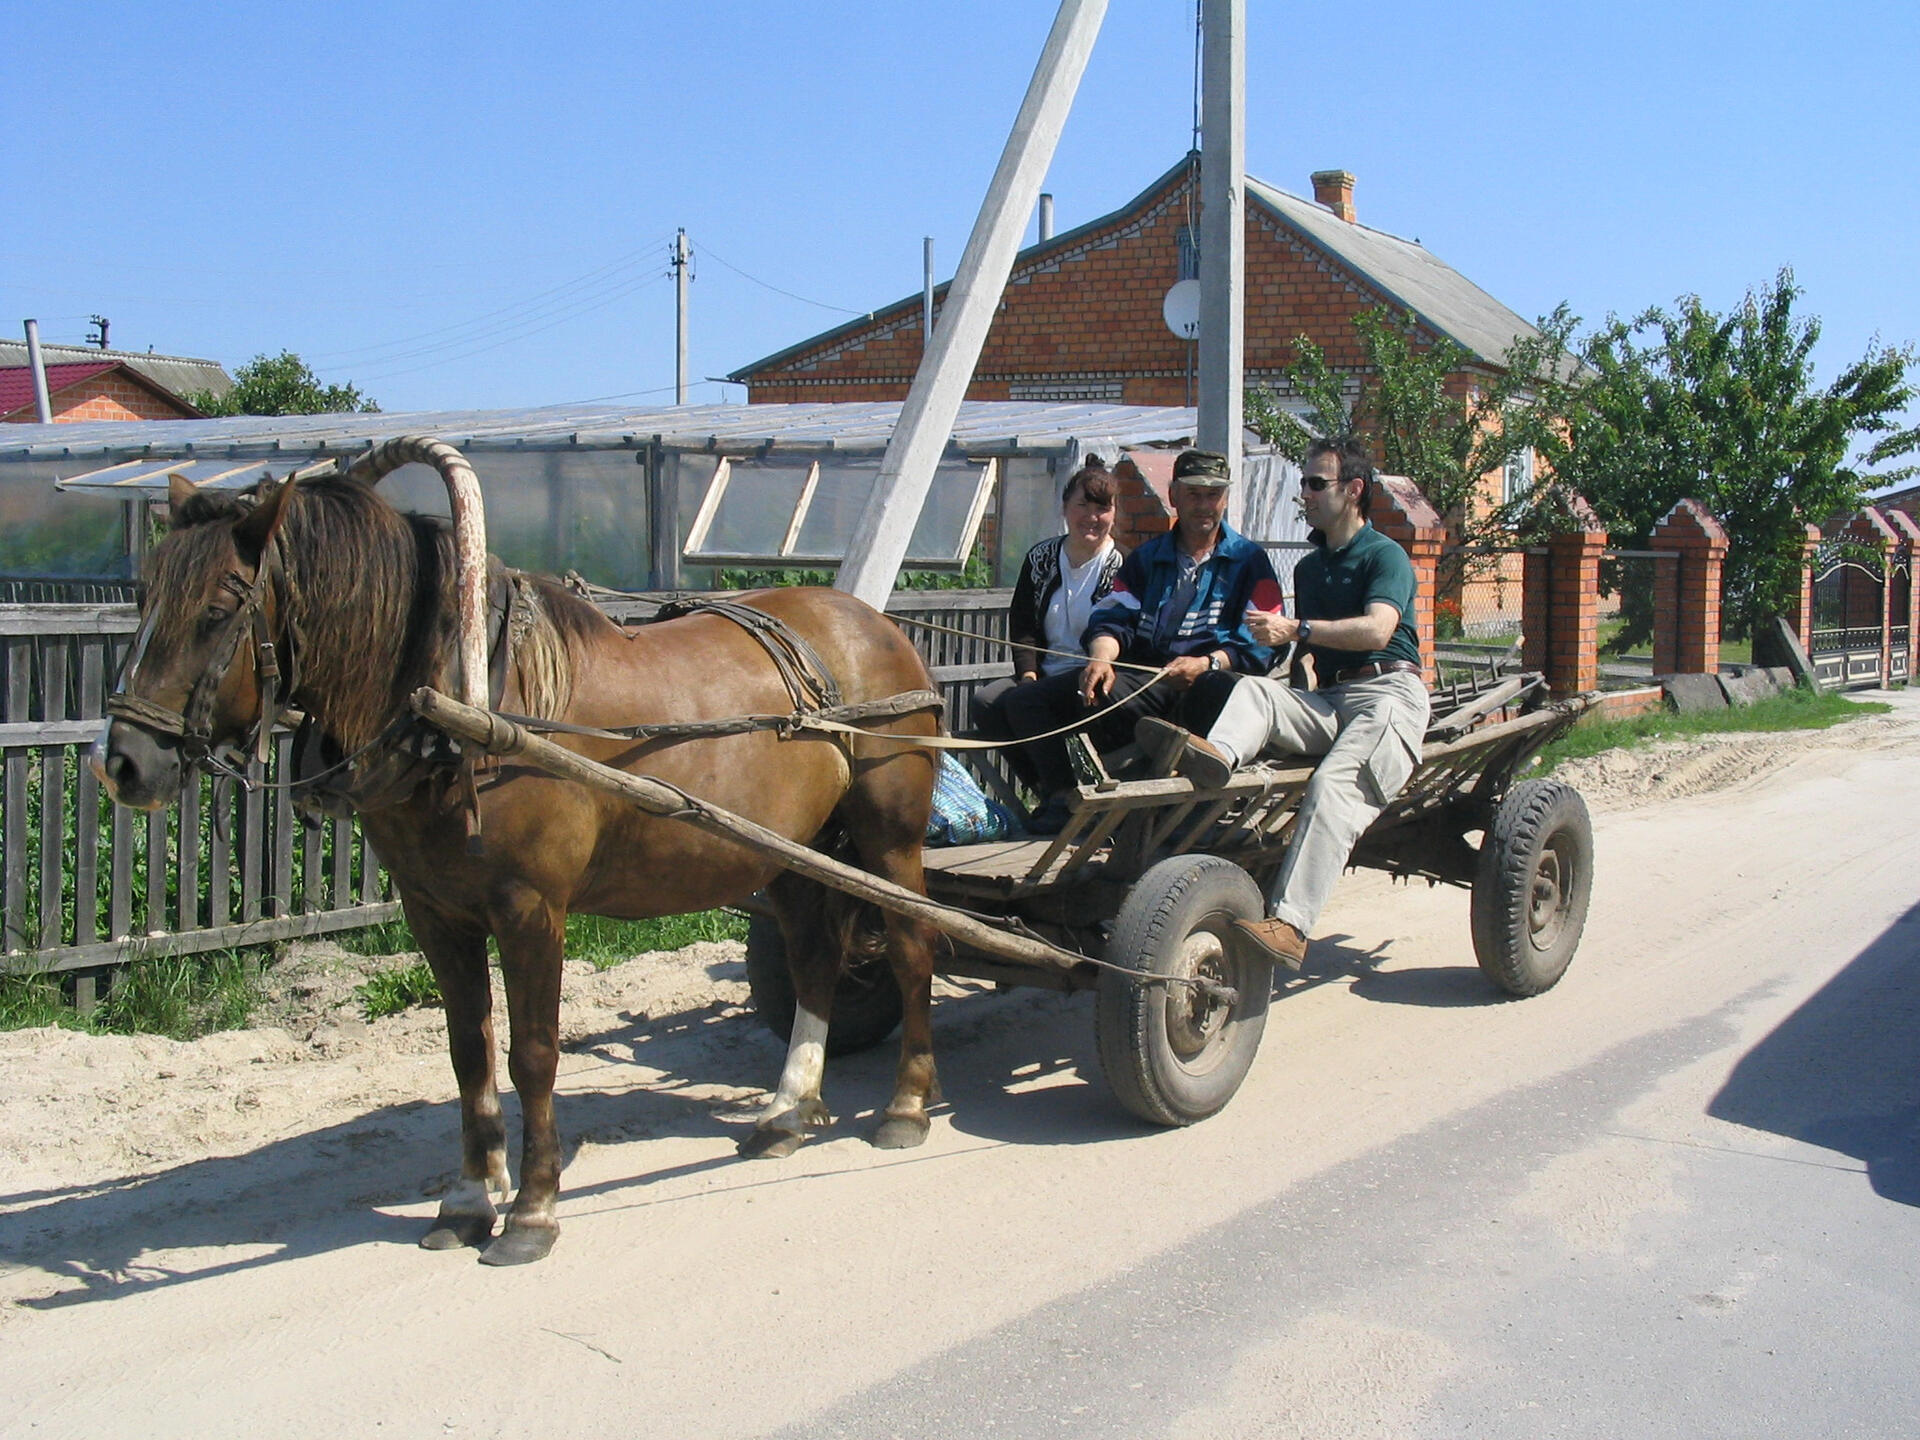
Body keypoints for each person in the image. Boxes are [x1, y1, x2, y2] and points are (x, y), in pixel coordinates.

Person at [1140, 436, 1431, 968]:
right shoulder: (1311, 568)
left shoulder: (1384, 555)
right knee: (1256, 690)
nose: (1306, 493)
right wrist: (1297, 666)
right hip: (1333, 699)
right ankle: (1215, 758)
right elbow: (1311, 654)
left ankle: (1292, 925)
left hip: (1389, 694)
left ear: (1354, 490)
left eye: (1317, 483)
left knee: (1332, 785)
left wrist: (1295, 628)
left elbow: (1377, 629)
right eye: (1304, 483)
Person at [1002, 448, 1281, 832]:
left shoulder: (1250, 560)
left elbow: (1265, 643)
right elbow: (1112, 619)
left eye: (1213, 494)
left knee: (1217, 688)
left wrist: (1208, 663)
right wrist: (1100, 659)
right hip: (1152, 680)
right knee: (1026, 700)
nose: (1204, 505)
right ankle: (1064, 798)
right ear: (1174, 497)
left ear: (1226, 499)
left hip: (1214, 684)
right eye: (1194, 494)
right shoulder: (1147, 560)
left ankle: (1186, 805)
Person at [973, 458, 1125, 790]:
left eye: (1102, 508)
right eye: (1082, 505)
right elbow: (1024, 623)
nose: (1091, 517)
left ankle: (1063, 795)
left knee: (1025, 703)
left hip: (1092, 676)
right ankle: (1041, 786)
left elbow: (1122, 630)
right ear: (1065, 508)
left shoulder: (1123, 566)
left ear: (1114, 514)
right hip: (1044, 672)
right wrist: (1028, 673)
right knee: (986, 701)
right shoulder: (1041, 558)